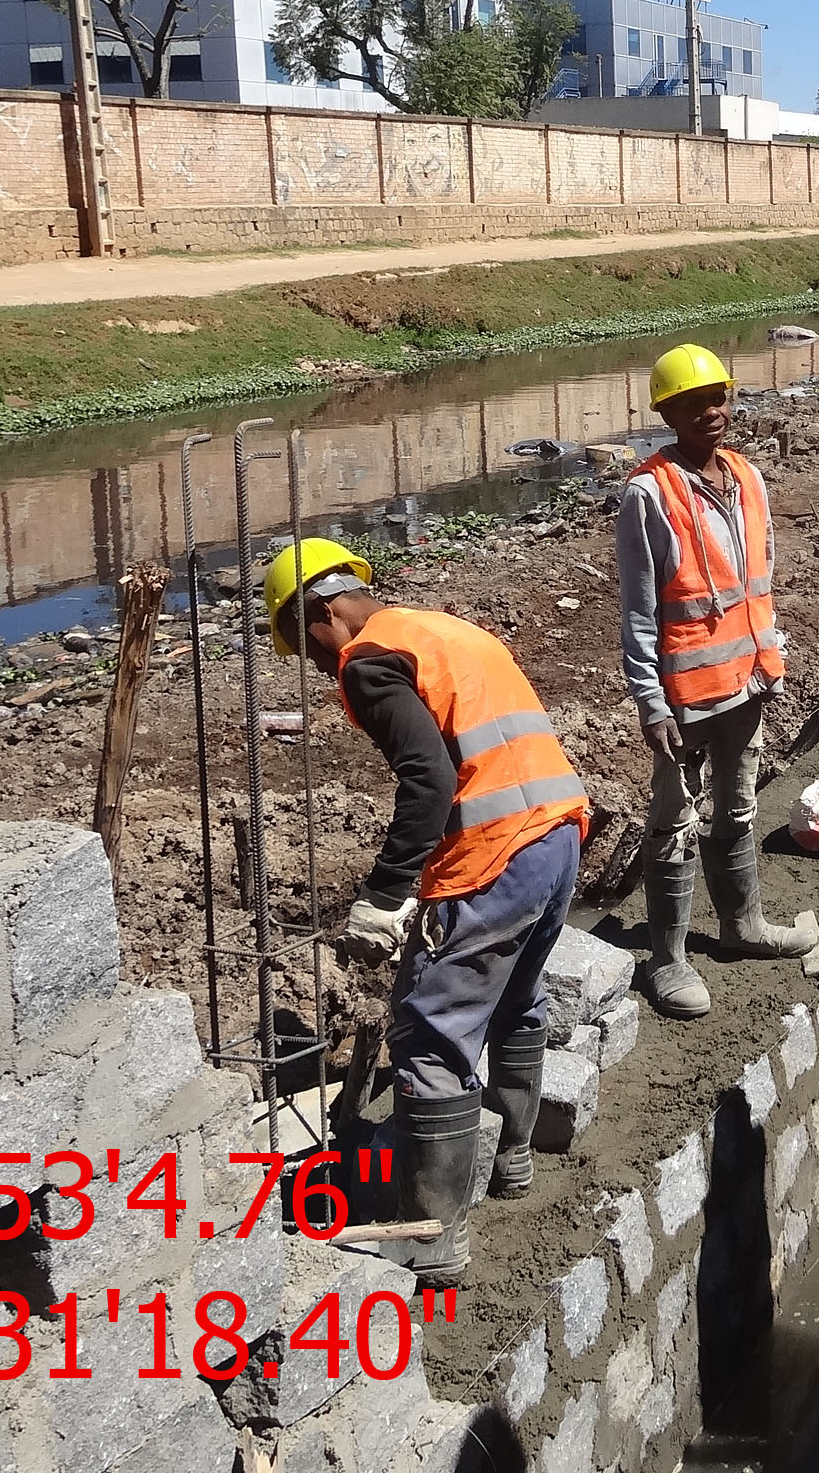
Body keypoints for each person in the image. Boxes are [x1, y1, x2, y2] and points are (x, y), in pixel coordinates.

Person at [264, 537, 588, 1284]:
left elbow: (429, 779)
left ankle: (430, 1241)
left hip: (494, 857)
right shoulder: (446, 630)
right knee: (515, 1002)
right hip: (560, 833)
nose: (318, 668)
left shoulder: (370, 659)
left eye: (307, 647)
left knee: (431, 1035)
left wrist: (387, 893)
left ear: (320, 614)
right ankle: (510, 1161)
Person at [617, 343, 819, 1018]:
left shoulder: (747, 478)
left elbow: (755, 586)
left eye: (720, 398)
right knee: (674, 822)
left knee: (737, 809)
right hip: (682, 695)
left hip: (747, 681)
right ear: (667, 412)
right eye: (695, 403)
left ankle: (742, 926)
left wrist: (770, 662)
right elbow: (640, 610)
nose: (713, 411)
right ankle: (667, 959)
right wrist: (651, 702)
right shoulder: (650, 494)